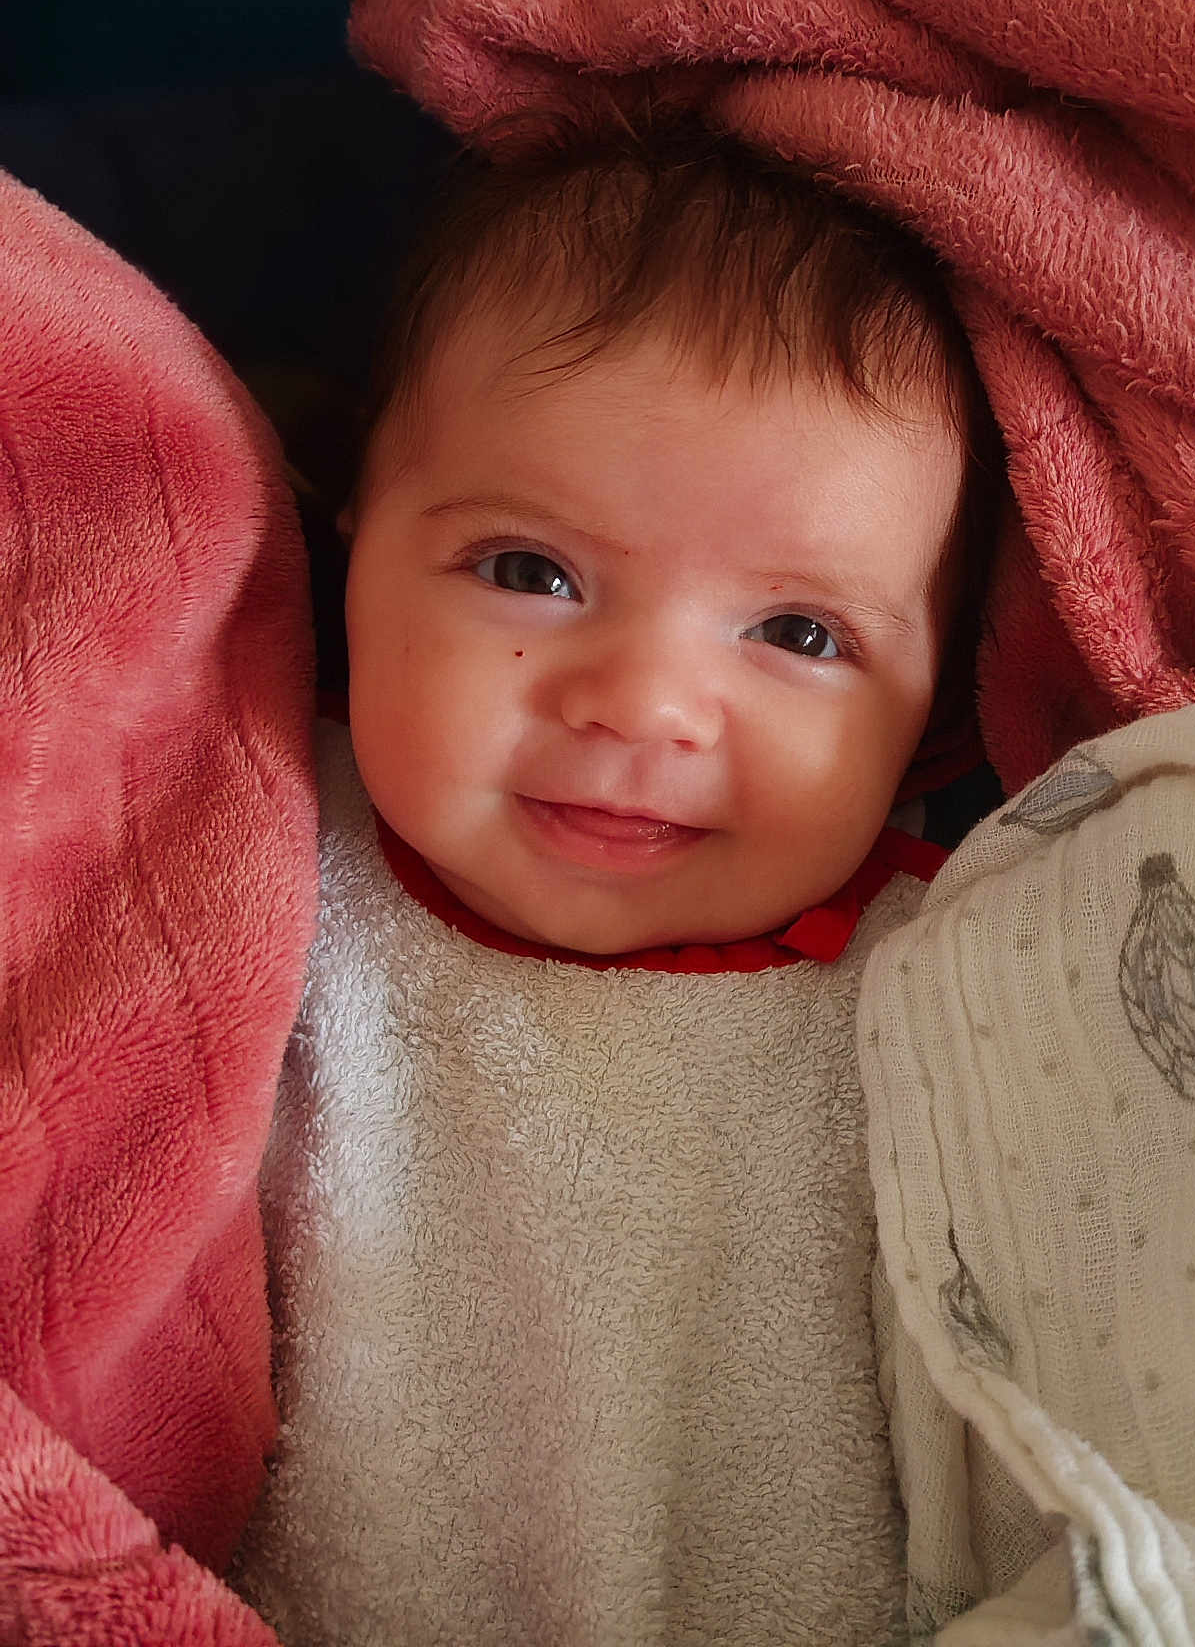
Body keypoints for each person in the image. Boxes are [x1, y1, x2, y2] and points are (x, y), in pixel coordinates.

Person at [230, 112, 1002, 1646]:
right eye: (531, 570)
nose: (641, 705)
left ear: (939, 716)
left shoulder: (963, 990)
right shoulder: (246, 846)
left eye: (798, 634)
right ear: (354, 542)